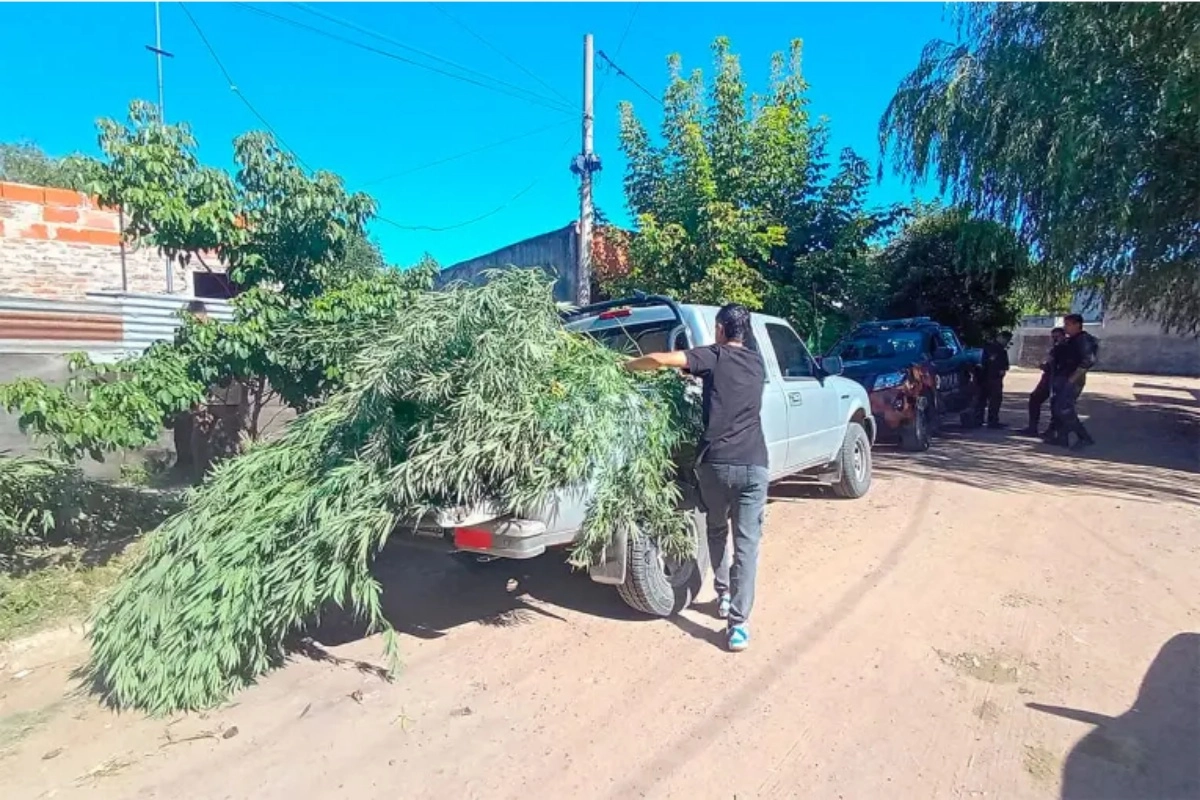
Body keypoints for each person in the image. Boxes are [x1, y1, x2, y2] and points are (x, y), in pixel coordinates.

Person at [624, 304, 768, 653]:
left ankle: (721, 594)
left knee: (716, 529)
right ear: (744, 331)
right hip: (754, 464)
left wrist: (626, 365)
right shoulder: (757, 363)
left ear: (719, 328)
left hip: (717, 464)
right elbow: (730, 390)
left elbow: (660, 360)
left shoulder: (714, 356)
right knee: (747, 545)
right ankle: (738, 625)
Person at [1045, 313, 1098, 450]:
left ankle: (1084, 438)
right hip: (1063, 377)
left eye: (1068, 324)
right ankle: (1062, 438)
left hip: (1073, 379)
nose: (1065, 327)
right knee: (1057, 407)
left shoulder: (1083, 339)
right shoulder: (1071, 340)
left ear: (1077, 325)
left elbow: (1088, 361)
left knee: (1064, 409)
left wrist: (1072, 379)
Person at [1020, 327, 1066, 437]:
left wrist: (1045, 366)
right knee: (1037, 399)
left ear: (1063, 336)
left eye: (1057, 337)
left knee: (1053, 404)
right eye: (1053, 337)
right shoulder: (1057, 348)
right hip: (1050, 378)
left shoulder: (1062, 348)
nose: (1055, 339)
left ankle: (1048, 429)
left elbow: (1054, 364)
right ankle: (1037, 428)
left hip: (1055, 379)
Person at [976, 330, 1013, 429]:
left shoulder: (994, 348)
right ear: (1000, 337)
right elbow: (994, 363)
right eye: (1005, 339)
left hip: (987, 377)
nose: (1006, 342)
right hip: (991, 377)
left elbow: (1004, 365)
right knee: (992, 399)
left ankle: (981, 419)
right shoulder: (995, 349)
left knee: (985, 399)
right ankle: (990, 421)